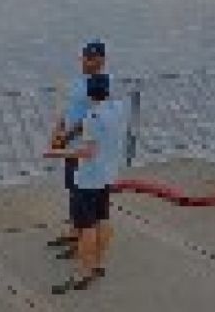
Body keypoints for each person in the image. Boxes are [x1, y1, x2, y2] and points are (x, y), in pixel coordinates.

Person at [46, 72, 125, 293]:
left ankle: (83, 272)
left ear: (89, 95)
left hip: (88, 178)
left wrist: (56, 153)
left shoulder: (92, 118)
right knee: (103, 219)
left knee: (86, 227)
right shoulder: (118, 109)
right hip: (107, 175)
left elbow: (88, 152)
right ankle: (98, 264)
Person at [48, 41, 107, 258]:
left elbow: (91, 118)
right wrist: (57, 132)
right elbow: (68, 110)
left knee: (83, 197)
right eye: (84, 58)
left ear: (101, 60)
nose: (86, 62)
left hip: (82, 149)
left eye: (91, 58)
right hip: (70, 148)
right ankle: (74, 232)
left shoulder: (100, 85)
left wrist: (67, 136)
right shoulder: (78, 82)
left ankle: (82, 241)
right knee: (73, 191)